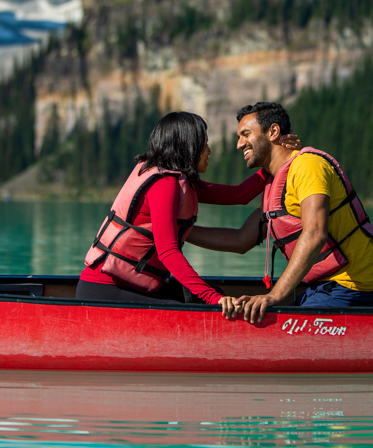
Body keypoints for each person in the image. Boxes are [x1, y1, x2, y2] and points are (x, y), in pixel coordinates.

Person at [77, 111, 300, 318]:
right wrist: (214, 299)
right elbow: (168, 252)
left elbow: (239, 194)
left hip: (132, 284)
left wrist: (279, 158)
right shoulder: (164, 183)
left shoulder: (180, 181)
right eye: (204, 144)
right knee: (204, 305)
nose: (209, 151)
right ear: (188, 147)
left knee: (212, 293)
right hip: (106, 289)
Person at [186, 102, 373, 323]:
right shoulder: (275, 184)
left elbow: (315, 234)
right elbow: (241, 239)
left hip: (353, 287)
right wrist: (183, 230)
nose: (239, 144)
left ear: (273, 132)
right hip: (322, 289)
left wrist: (274, 295)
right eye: (238, 137)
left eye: (246, 134)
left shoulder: (308, 166)